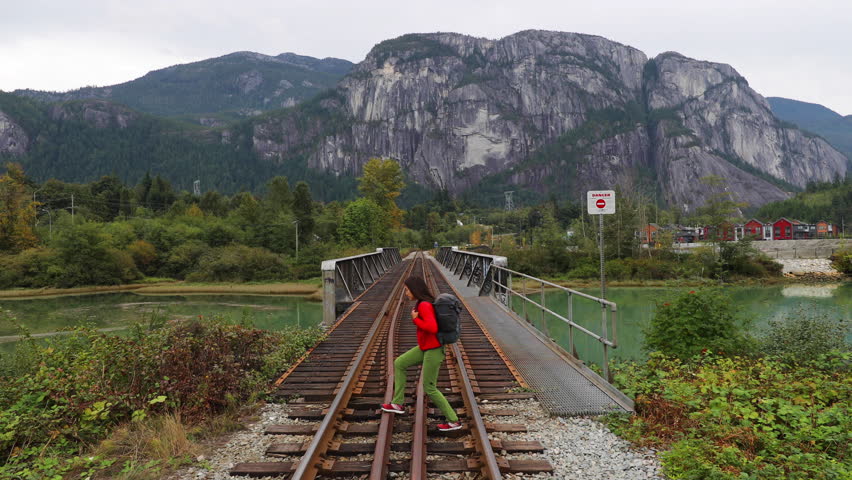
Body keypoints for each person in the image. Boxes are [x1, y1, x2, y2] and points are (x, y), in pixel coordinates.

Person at [380, 276, 462, 431]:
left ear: (414, 289)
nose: (406, 293)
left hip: (434, 349)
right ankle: (397, 403)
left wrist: (415, 320)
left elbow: (432, 328)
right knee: (400, 363)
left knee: (429, 387)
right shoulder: (422, 303)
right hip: (425, 347)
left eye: (407, 290)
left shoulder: (424, 305)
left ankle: (453, 420)